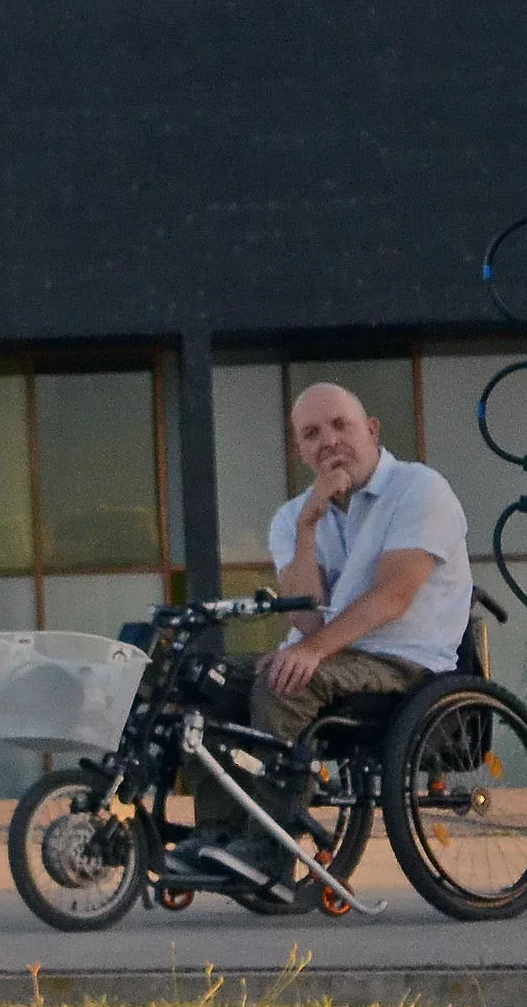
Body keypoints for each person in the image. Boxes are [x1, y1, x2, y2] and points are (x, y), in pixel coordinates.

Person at [185, 381, 474, 891]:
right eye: (313, 434)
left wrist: (313, 651)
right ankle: (217, 835)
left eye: (341, 425)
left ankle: (269, 851)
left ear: (372, 430)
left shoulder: (420, 489)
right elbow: (308, 620)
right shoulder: (294, 516)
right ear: (301, 450)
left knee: (284, 683)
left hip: (405, 659)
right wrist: (307, 527)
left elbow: (393, 597)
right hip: (333, 653)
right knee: (199, 682)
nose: (330, 441)